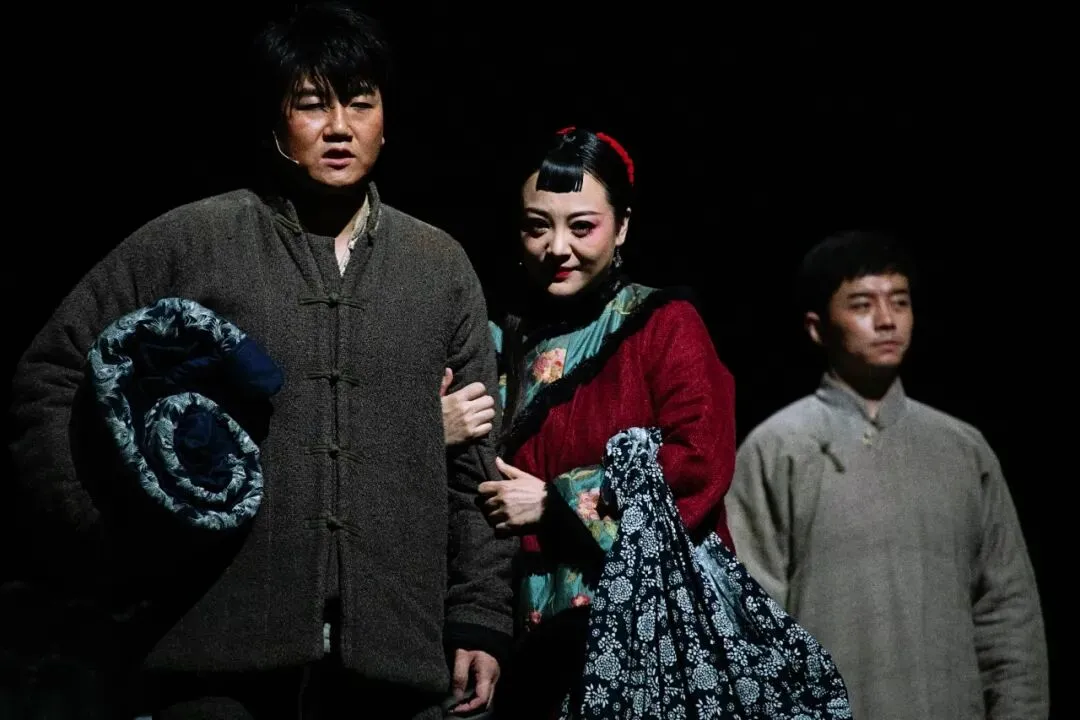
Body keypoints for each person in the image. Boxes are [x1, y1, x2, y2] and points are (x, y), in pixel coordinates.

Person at [6, 3, 514, 718]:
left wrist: (480, 616)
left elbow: (479, 471)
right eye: (311, 104)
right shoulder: (195, 241)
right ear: (276, 119)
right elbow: (52, 373)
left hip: (396, 664)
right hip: (213, 654)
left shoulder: (439, 266)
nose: (338, 127)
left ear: (386, 120)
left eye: (359, 104)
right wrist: (105, 529)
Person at [442, 127, 852, 719]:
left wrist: (557, 504)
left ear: (623, 227)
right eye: (537, 226)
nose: (558, 247)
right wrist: (437, 429)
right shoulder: (495, 343)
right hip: (522, 640)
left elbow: (699, 460)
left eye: (582, 226)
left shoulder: (662, 325)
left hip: (647, 637)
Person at [725, 230, 1050, 719]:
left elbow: (1008, 616)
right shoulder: (778, 449)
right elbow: (746, 623)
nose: (886, 320)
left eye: (899, 302)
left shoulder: (963, 450)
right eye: (862, 304)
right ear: (817, 328)